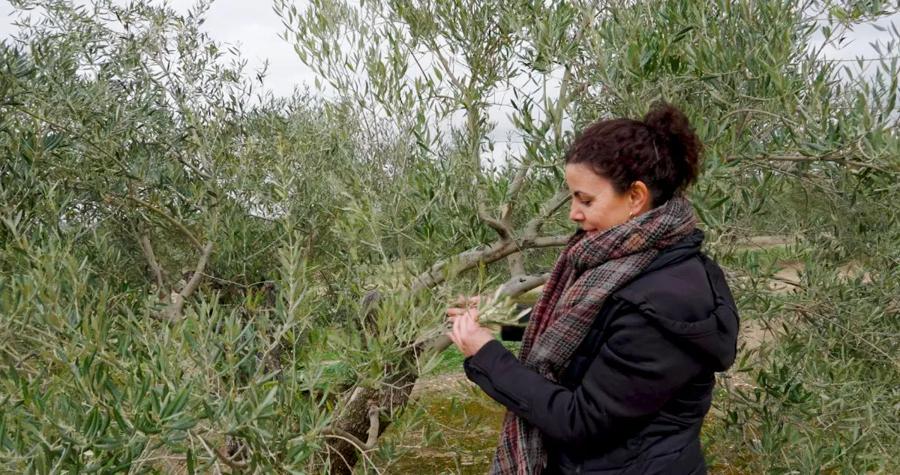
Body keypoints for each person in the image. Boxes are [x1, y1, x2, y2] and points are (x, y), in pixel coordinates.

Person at [446, 102, 740, 475]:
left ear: (635, 197)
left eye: (586, 199)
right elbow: (587, 333)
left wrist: (485, 353)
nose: (573, 213)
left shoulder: (665, 300)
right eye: (572, 197)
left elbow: (581, 421)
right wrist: (497, 318)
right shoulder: (623, 262)